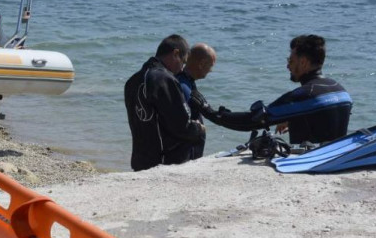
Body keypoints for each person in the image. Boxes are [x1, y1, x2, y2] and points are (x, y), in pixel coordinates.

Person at [199, 35, 351, 145]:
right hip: (336, 157)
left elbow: (251, 122)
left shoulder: (305, 95)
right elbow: (323, 118)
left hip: (311, 163)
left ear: (303, 62)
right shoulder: (341, 90)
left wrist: (211, 113)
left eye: (290, 61)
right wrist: (292, 119)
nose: (288, 66)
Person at [124, 35, 206, 172]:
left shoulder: (132, 81)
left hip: (140, 161)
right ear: (176, 54)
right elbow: (181, 126)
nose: (181, 69)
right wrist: (198, 128)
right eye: (183, 62)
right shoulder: (165, 79)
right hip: (163, 163)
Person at [174, 43, 217, 159]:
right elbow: (181, 122)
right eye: (210, 66)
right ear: (201, 64)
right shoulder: (183, 86)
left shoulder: (186, 81)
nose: (211, 70)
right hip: (185, 154)